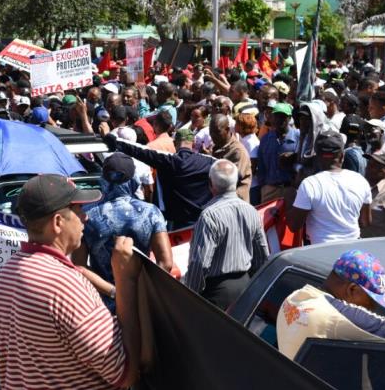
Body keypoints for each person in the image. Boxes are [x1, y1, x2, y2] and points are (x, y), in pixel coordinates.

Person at [0, 174, 142, 390]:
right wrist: (124, 279)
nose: (85, 218)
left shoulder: (9, 272)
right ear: (58, 222)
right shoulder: (63, 284)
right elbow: (124, 373)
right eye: (78, 210)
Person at [74, 152, 172, 309]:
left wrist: (114, 292)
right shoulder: (151, 212)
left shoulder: (88, 216)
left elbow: (79, 266)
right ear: (133, 179)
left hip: (105, 303)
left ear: (104, 179)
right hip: (143, 300)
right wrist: (143, 291)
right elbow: (166, 263)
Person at [184, 160, 270, 308]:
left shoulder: (209, 216)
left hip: (217, 294)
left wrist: (190, 296)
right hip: (245, 287)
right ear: (235, 183)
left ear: (211, 184)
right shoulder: (251, 211)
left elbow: (199, 263)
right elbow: (262, 255)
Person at [105, 130, 215, 229]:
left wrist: (114, 140)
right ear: (194, 143)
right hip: (203, 221)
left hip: (175, 223)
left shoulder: (169, 161)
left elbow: (141, 151)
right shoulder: (210, 162)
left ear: (175, 143)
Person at [286, 132, 372, 245]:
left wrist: (291, 193)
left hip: (320, 253)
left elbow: (294, 226)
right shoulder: (360, 180)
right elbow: (365, 222)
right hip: (352, 254)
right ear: (342, 156)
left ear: (316, 158)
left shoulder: (310, 184)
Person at [255, 103, 300, 204]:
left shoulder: (298, 137)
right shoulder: (265, 139)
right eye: (276, 116)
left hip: (291, 189)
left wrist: (294, 157)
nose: (279, 119)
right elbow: (261, 165)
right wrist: (264, 187)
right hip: (270, 190)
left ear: (289, 118)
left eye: (283, 116)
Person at [209, 113, 252, 201]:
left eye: (217, 132)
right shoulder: (216, 148)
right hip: (220, 201)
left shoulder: (237, 151)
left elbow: (230, 180)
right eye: (211, 132)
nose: (213, 136)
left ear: (227, 129)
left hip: (235, 203)